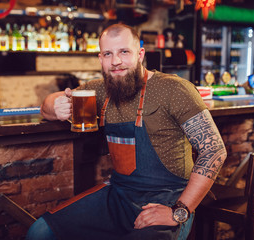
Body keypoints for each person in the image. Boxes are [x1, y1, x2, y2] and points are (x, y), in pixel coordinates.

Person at [26, 23, 227, 240]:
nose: (116, 61)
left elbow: (214, 150)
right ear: (100, 59)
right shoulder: (100, 90)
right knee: (40, 232)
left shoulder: (173, 89)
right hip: (118, 195)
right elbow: (46, 106)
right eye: (108, 54)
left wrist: (179, 211)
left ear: (140, 54)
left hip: (168, 199)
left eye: (124, 52)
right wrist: (55, 108)